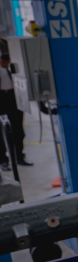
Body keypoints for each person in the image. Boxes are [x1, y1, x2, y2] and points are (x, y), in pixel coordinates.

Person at [0, 39, 31, 170]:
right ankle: (3, 161)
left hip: (14, 96)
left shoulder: (7, 43)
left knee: (18, 129)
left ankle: (19, 156)